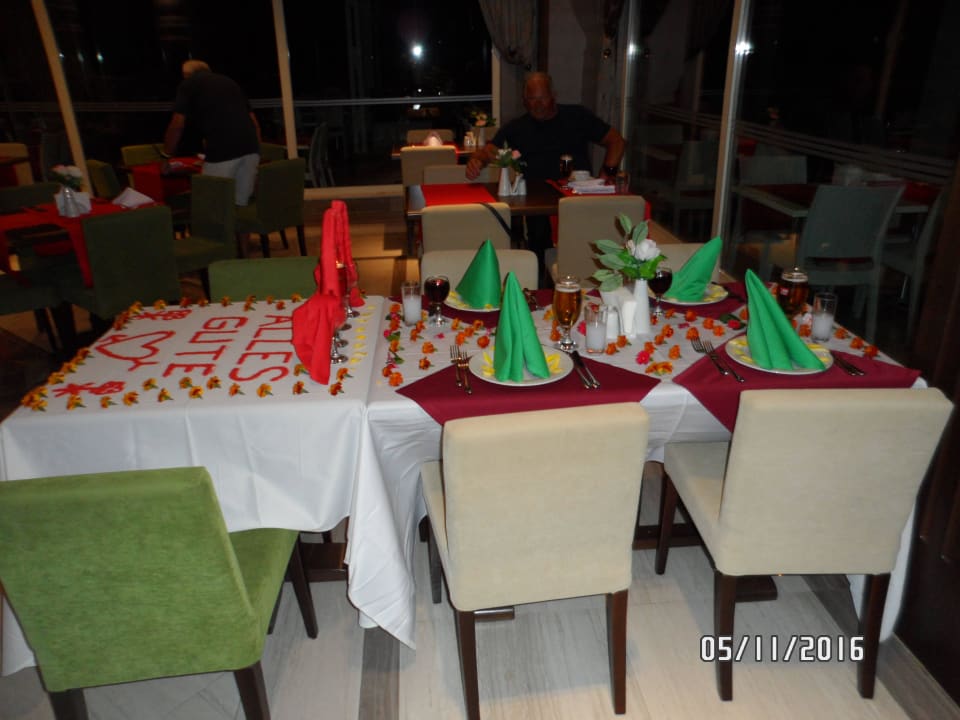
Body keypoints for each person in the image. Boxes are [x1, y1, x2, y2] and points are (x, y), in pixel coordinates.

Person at [465, 72, 626, 281]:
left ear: (553, 96)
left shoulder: (577, 116)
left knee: (584, 249)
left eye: (542, 98)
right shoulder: (517, 127)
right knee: (538, 246)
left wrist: (607, 174)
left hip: (578, 199)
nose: (538, 105)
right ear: (524, 101)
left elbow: (617, 141)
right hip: (537, 204)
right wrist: (477, 160)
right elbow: (490, 150)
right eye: (532, 99)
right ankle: (541, 284)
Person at [163, 60, 261, 205]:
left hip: (223, 151)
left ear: (186, 74)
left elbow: (177, 125)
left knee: (210, 204)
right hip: (251, 150)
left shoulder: (189, 84)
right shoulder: (229, 82)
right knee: (239, 203)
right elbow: (253, 121)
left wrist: (167, 155)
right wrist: (256, 149)